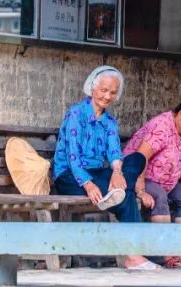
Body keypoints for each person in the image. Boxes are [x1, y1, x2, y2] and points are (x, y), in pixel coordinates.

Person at [52, 66, 155, 270]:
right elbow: (73, 156)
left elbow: (115, 152)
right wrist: (88, 185)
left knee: (136, 159)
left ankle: (115, 192)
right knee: (125, 197)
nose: (107, 96)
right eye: (104, 90)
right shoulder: (76, 114)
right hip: (70, 176)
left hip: (99, 174)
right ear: (92, 88)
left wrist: (117, 172)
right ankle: (134, 255)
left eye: (113, 92)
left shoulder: (109, 121)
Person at [125, 97, 181, 269]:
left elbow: (173, 152)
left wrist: (179, 171)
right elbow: (140, 157)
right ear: (180, 114)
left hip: (163, 179)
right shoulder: (162, 127)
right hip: (138, 174)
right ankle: (166, 254)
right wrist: (140, 190)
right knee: (159, 196)